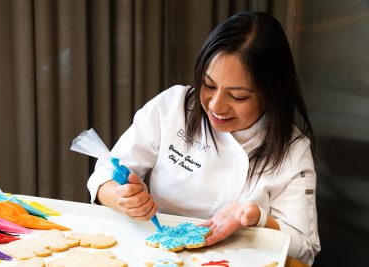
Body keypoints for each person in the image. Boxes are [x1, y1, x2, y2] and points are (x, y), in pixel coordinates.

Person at [87, 11, 320, 265]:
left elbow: (304, 249)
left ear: (272, 93)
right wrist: (122, 199)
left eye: (238, 96)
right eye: (208, 86)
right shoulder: (172, 107)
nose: (216, 106)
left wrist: (259, 220)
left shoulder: (293, 150)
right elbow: (104, 176)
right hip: (156, 256)